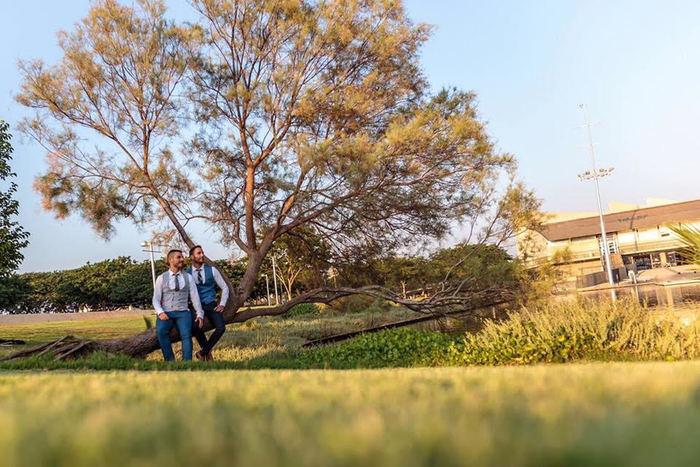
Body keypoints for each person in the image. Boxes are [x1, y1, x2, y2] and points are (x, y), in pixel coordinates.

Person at [152, 249, 205, 361]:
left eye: (182, 257)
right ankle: (170, 361)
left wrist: (200, 314)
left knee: (186, 335)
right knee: (161, 332)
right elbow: (156, 299)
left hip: (183, 312)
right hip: (166, 312)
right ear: (170, 260)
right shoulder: (161, 278)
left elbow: (195, 297)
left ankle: (186, 363)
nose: (182, 259)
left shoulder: (188, 277)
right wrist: (160, 312)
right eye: (179, 257)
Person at [187, 245, 230, 361]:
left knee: (221, 328)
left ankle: (203, 352)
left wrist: (222, 304)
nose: (202, 255)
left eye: (202, 253)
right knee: (195, 327)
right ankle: (207, 353)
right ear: (192, 257)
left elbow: (225, 287)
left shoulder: (212, 270)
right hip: (196, 306)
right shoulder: (187, 273)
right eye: (199, 253)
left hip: (210, 303)